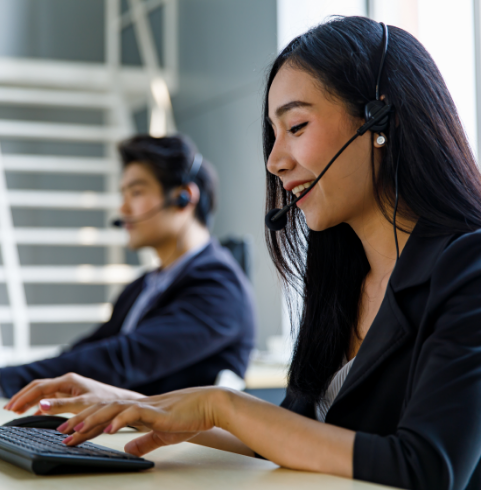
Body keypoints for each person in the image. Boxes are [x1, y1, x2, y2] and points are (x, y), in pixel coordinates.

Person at [6, 16, 481, 490]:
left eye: (296, 125)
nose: (274, 161)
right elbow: (292, 436)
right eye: (273, 136)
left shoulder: (469, 267)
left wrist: (223, 403)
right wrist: (136, 405)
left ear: (381, 119)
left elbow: (428, 467)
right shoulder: (342, 277)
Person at [0, 134, 256, 401]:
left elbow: (121, 361)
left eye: (136, 192)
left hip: (178, 442)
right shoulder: (146, 284)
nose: (123, 209)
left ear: (183, 197)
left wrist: (9, 380)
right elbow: (90, 349)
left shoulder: (221, 288)